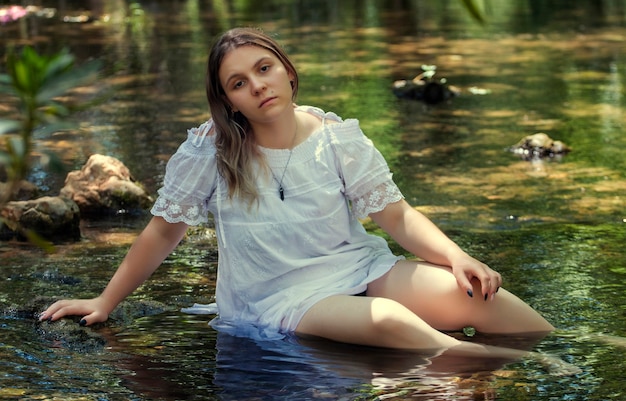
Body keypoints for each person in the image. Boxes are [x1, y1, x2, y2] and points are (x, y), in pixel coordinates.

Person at [40, 27, 557, 360]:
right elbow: (162, 232)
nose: (258, 85)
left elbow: (396, 217)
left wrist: (457, 256)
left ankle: (571, 344)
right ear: (229, 101)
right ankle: (528, 364)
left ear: (286, 70)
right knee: (393, 323)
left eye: (264, 69)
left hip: (358, 267)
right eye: (238, 83)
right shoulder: (209, 151)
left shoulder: (336, 136)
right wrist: (104, 301)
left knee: (479, 298)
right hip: (278, 296)